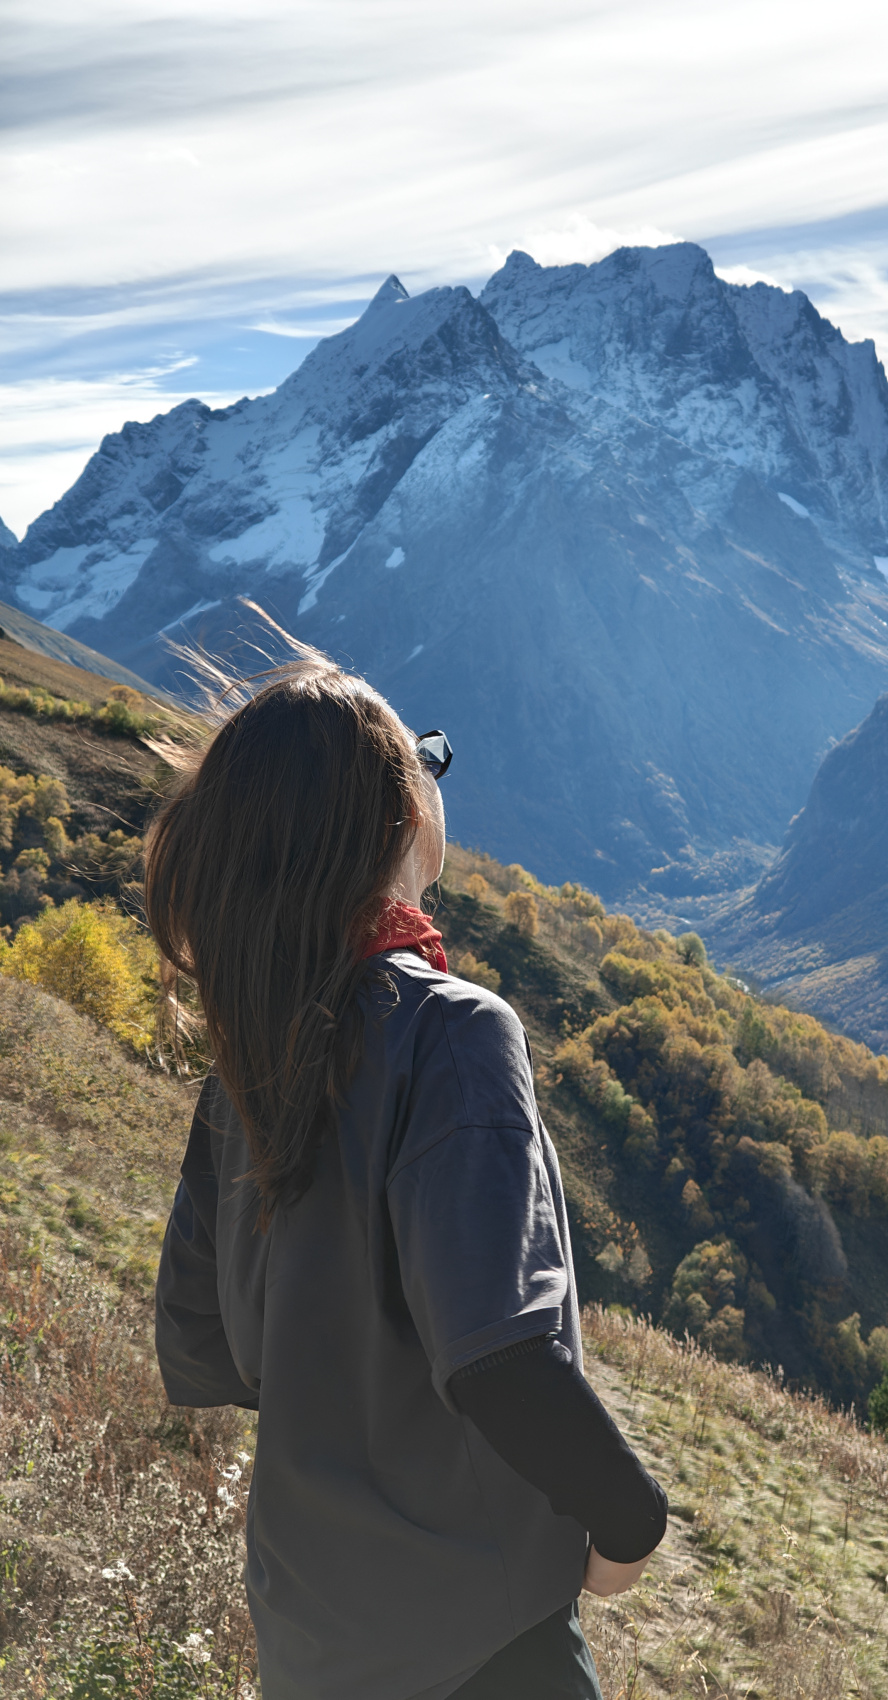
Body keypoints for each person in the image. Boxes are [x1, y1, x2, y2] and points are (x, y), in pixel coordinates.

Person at [148, 650, 666, 1700]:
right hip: (482, 1644)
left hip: (309, 1638)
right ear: (393, 818)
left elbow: (200, 1346)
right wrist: (631, 1523)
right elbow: (499, 1353)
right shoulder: (451, 1030)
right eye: (423, 760)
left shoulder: (242, 1066)